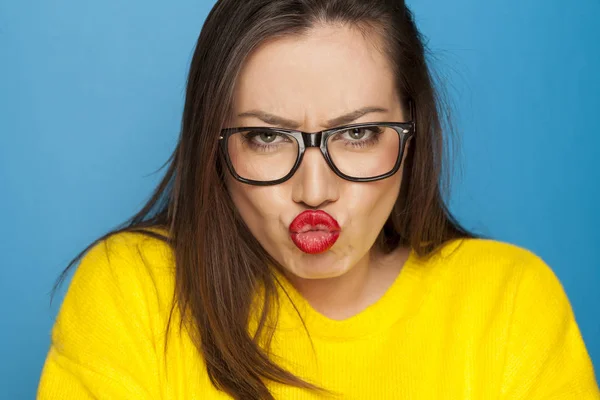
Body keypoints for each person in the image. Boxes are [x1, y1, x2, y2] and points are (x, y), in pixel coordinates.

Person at [37, 0, 599, 399]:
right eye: (266, 136)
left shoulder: (509, 305)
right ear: (214, 145)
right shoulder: (131, 293)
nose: (314, 191)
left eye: (356, 134)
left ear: (412, 131)